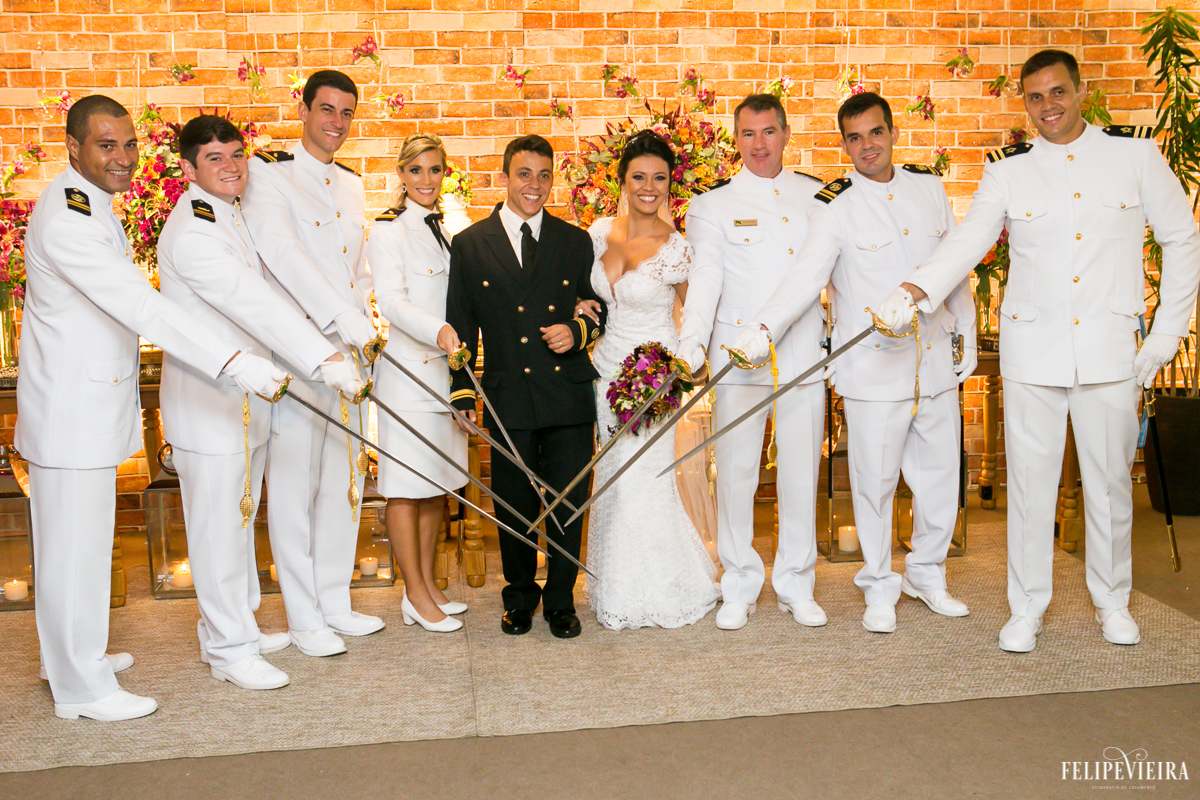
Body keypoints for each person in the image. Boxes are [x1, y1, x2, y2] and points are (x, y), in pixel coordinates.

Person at [877, 50, 1200, 652]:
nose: (1047, 106)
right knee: (1029, 488)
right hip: (1034, 352)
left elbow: (1183, 239)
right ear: (1023, 102)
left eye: (1057, 92)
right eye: (1034, 97)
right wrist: (916, 288)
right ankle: (1025, 608)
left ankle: (1112, 603)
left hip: (1109, 350)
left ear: (1081, 90)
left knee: (1108, 485)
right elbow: (972, 236)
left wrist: (1166, 334)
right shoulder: (1009, 171)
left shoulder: (1135, 156)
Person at [18, 96, 282, 720]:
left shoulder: (88, 205)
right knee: (73, 552)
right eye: (106, 145)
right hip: (69, 411)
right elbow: (141, 305)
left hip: (86, 405)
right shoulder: (68, 218)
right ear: (73, 147)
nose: (123, 158)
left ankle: (78, 654)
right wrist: (233, 360)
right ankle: (81, 689)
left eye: (129, 144)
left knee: (84, 544)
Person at [737, 93, 977, 634]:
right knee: (874, 484)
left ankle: (928, 575)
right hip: (872, 371)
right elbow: (805, 279)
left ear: (893, 133)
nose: (867, 146)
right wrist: (762, 330)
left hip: (934, 363)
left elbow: (953, 264)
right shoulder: (833, 205)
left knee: (941, 479)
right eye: (854, 138)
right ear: (843, 144)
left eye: (875, 133)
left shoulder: (929, 187)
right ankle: (878, 585)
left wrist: (966, 329)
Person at [157, 115, 367, 690]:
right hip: (209, 402)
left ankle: (236, 625)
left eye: (235, 155)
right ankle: (229, 649)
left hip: (243, 401)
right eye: (215, 159)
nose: (230, 167)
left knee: (239, 518)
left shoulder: (231, 215)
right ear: (188, 169)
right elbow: (253, 303)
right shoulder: (196, 229)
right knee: (217, 527)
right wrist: (322, 360)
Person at [242, 69, 385, 657]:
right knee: (296, 486)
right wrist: (339, 320)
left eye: (347, 113)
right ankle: (302, 617)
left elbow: (359, 271)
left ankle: (334, 601)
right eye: (326, 109)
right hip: (301, 353)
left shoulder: (351, 186)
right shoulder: (270, 177)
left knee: (344, 482)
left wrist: (364, 326)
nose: (336, 123)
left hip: (349, 352)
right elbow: (283, 256)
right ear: (303, 109)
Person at [446, 134, 606, 639]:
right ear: (505, 176)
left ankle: (561, 600)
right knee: (513, 504)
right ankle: (518, 599)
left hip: (567, 392)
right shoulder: (471, 243)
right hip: (507, 392)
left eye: (543, 175)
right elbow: (460, 323)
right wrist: (462, 391)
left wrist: (577, 332)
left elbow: (598, 309)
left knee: (567, 502)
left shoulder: (574, 241)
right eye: (523, 174)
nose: (533, 185)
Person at [678, 93, 828, 631]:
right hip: (739, 354)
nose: (759, 144)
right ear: (734, 139)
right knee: (737, 473)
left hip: (802, 354)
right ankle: (738, 582)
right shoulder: (711, 204)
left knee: (799, 472)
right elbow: (706, 282)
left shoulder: (819, 196)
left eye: (768, 132)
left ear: (786, 133)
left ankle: (796, 582)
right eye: (747, 134)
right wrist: (691, 343)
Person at [579, 131, 719, 630]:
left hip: (651, 375)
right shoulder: (597, 233)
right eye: (639, 176)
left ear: (669, 184)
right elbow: (583, 297)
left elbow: (695, 313)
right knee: (611, 481)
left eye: (659, 178)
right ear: (622, 180)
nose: (649, 187)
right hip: (601, 371)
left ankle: (657, 589)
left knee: (643, 480)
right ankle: (609, 584)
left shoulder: (677, 248)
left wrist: (676, 369)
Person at [367, 133, 467, 633]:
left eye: (435, 170)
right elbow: (392, 301)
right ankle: (413, 592)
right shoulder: (388, 231)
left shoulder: (442, 229)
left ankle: (426, 586)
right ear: (402, 175)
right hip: (408, 377)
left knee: (436, 486)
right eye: (417, 170)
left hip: (445, 376)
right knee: (405, 489)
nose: (427, 180)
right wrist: (441, 331)